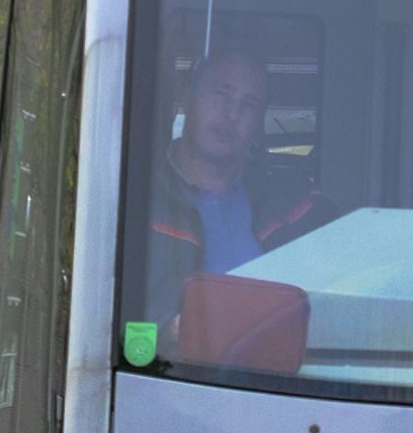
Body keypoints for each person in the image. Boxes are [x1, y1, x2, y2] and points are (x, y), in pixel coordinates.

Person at [142, 44, 335, 321]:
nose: (232, 114)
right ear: (187, 98)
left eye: (249, 104)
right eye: (222, 95)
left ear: (259, 121)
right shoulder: (138, 203)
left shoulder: (297, 207)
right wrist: (167, 335)